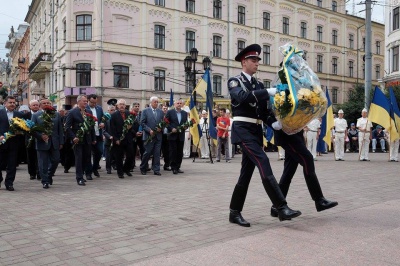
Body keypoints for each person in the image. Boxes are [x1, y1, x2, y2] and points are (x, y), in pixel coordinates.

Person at [228, 44, 301, 227]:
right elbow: (243, 98)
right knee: (263, 161)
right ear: (244, 62)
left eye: (258, 60)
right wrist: (267, 92)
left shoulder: (258, 84)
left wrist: (274, 123)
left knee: (246, 173)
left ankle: (234, 212)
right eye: (253, 60)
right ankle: (281, 207)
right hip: (242, 129)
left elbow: (263, 112)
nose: (257, 63)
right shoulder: (235, 82)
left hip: (255, 131)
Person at [31, 98, 64, 189]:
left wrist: (61, 142)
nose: (46, 104)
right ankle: (45, 181)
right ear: (40, 105)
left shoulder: (56, 114)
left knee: (56, 160)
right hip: (42, 143)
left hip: (55, 142)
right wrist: (40, 136)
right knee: (43, 163)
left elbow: (60, 129)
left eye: (48, 103)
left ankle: (49, 175)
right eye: (44, 103)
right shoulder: (36, 115)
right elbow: (32, 129)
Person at [65, 95, 96, 186]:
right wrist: (73, 137)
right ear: (78, 102)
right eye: (84, 101)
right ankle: (79, 178)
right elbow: (67, 127)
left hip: (87, 139)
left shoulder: (88, 111)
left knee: (86, 158)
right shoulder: (72, 112)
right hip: (77, 140)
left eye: (86, 101)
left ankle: (83, 174)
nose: (86, 103)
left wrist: (93, 138)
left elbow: (91, 126)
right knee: (78, 158)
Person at [0, 96, 24, 191]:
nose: (12, 104)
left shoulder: (19, 114)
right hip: (1, 143)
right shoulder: (1, 113)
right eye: (10, 102)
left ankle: (9, 183)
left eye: (14, 102)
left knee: (12, 164)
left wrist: (20, 132)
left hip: (14, 143)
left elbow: (24, 128)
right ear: (5, 103)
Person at [110, 99, 135, 178]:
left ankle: (126, 169)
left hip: (128, 138)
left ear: (125, 106)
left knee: (130, 155)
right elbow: (112, 129)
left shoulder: (129, 113)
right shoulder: (114, 115)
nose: (122, 106)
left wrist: (131, 128)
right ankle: (120, 172)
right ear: (117, 106)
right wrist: (116, 139)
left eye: (123, 104)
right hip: (119, 139)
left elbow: (132, 126)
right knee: (119, 157)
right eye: (120, 104)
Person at [140, 96, 164, 176]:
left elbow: (163, 122)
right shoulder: (145, 111)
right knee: (147, 152)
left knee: (157, 153)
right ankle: (143, 167)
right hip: (149, 136)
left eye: (157, 102)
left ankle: (156, 169)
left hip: (158, 136)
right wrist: (149, 130)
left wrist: (161, 128)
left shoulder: (160, 112)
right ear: (151, 102)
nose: (156, 103)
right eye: (155, 102)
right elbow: (142, 123)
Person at [166, 99, 188, 174]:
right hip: (172, 135)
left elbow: (186, 123)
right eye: (177, 103)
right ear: (174, 104)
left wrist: (186, 127)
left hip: (181, 135)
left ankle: (178, 166)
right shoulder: (170, 112)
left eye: (180, 103)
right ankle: (173, 167)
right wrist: (171, 128)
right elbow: (165, 122)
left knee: (179, 152)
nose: (179, 104)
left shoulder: (184, 113)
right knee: (173, 152)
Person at [85, 94, 105, 177]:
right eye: (92, 102)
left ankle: (95, 167)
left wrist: (103, 123)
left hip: (98, 134)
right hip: (89, 135)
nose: (94, 104)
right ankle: (88, 172)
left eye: (95, 102)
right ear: (88, 100)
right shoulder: (85, 109)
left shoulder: (99, 108)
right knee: (88, 154)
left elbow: (103, 118)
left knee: (99, 152)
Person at [24, 99, 41, 180]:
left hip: (39, 138)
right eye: (33, 105)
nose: (35, 106)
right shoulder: (25, 115)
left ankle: (39, 173)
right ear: (30, 106)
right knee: (30, 157)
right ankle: (32, 173)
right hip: (29, 139)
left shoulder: (41, 115)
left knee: (39, 157)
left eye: (37, 105)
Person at [103, 105, 115, 174]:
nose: (113, 111)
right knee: (108, 156)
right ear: (108, 111)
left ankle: (114, 165)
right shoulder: (105, 119)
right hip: (108, 140)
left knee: (115, 155)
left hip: (115, 139)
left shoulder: (116, 118)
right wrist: (109, 136)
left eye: (114, 110)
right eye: (111, 110)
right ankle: (108, 168)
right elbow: (104, 131)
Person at [160, 105, 171, 170]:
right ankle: (155, 165)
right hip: (160, 134)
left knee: (167, 151)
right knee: (157, 151)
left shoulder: (169, 116)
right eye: (164, 108)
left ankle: (167, 165)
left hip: (167, 135)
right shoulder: (159, 115)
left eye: (166, 108)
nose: (165, 110)